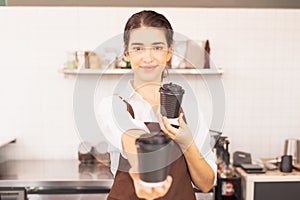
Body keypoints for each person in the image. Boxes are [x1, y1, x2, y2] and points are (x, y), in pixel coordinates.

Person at [96, 10, 216, 200]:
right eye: (138, 48)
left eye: (157, 47)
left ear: (169, 52)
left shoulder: (190, 111)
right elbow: (132, 141)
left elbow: (206, 183)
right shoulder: (112, 106)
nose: (148, 57)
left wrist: (186, 142)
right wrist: (142, 176)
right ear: (127, 53)